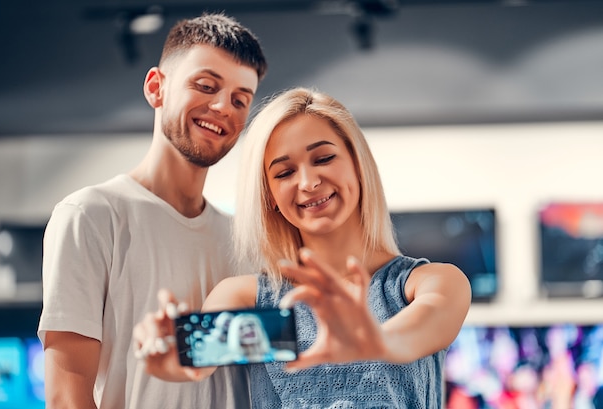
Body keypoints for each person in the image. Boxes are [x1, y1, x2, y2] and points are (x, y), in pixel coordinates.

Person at [133, 87, 472, 408]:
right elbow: (194, 358)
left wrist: (376, 340)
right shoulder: (249, 298)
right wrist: (165, 352)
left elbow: (422, 328)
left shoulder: (428, 283)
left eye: (323, 158)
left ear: (357, 164)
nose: (308, 183)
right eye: (284, 173)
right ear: (270, 198)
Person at [37, 13, 267, 409]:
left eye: (240, 99)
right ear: (156, 88)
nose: (221, 106)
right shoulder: (89, 216)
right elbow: (66, 397)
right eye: (206, 85)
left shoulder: (247, 241)